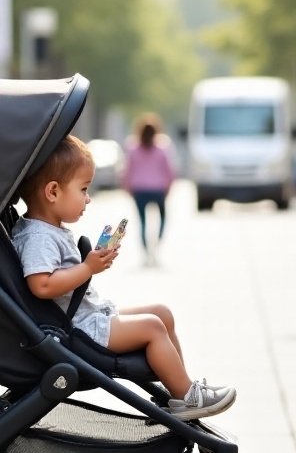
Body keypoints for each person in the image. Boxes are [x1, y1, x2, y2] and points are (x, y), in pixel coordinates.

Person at [12, 135, 235, 420]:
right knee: (153, 326)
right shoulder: (38, 237)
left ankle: (180, 388)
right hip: (79, 328)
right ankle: (186, 396)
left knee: (161, 313)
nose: (88, 198)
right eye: (83, 189)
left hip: (85, 315)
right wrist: (87, 268)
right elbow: (41, 285)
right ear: (53, 191)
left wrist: (92, 262)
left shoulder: (46, 229)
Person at [122, 113, 176, 262]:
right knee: (163, 219)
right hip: (158, 189)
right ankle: (156, 245)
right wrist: (168, 188)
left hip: (139, 189)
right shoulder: (162, 149)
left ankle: (146, 251)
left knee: (143, 222)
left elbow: (127, 170)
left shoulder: (132, 148)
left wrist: (127, 187)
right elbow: (170, 171)